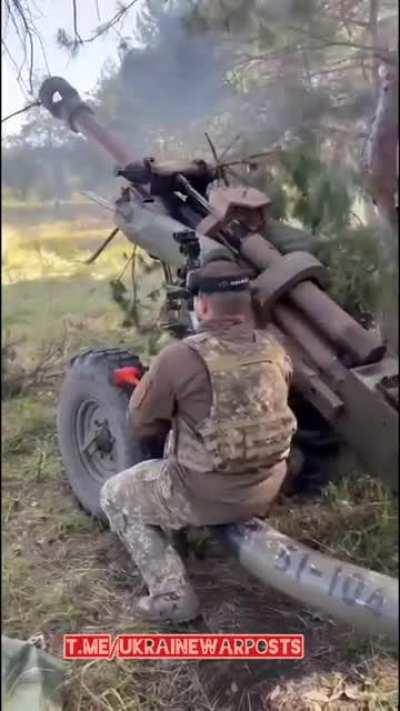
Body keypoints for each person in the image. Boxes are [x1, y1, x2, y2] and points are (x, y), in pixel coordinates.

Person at [100, 256, 297, 623]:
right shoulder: (276, 350)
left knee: (115, 494)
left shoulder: (178, 357)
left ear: (202, 306)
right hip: (267, 486)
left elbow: (140, 425)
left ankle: (171, 596)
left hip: (207, 494)